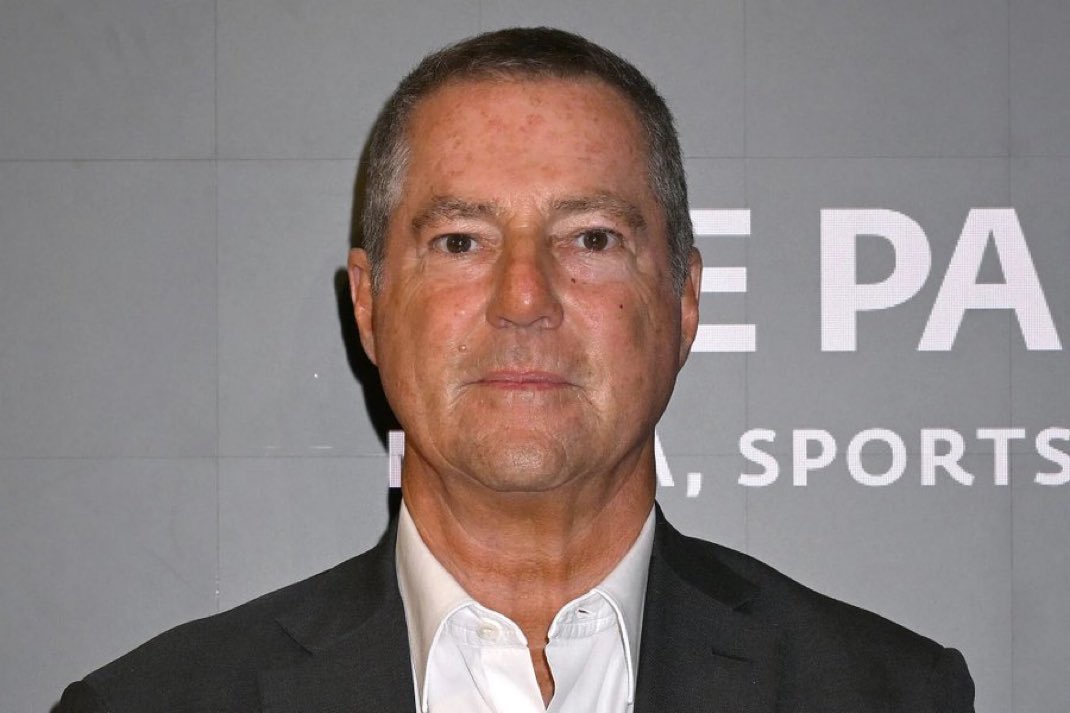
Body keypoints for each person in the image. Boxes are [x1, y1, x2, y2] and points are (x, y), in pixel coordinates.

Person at [56, 27, 974, 713]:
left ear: (684, 299)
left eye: (592, 238)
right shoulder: (154, 704)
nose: (524, 298)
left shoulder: (888, 695)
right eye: (461, 241)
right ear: (370, 305)